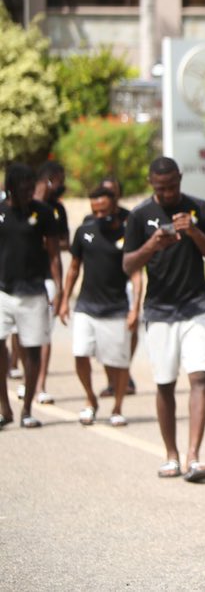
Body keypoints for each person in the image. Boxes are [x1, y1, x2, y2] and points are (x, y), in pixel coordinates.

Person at [123, 157, 205, 482]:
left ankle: (194, 457)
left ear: (181, 179)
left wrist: (194, 232)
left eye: (172, 187)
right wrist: (151, 245)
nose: (167, 194)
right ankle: (171, 455)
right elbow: (127, 265)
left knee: (199, 378)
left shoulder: (200, 209)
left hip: (196, 306)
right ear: (151, 183)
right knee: (164, 383)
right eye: (160, 188)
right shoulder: (139, 216)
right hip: (160, 309)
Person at [58, 186, 142, 426]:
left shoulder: (128, 234)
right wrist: (64, 300)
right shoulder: (84, 232)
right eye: (95, 210)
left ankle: (117, 408)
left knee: (119, 362)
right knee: (81, 353)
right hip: (86, 305)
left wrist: (135, 308)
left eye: (103, 209)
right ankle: (90, 399)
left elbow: (136, 274)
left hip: (116, 307)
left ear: (115, 205)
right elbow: (74, 267)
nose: (99, 214)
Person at [0, 163, 63, 428]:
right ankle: (4, 407)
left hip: (34, 291)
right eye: (23, 190)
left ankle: (27, 409)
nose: (29, 194)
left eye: (31, 188)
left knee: (32, 351)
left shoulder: (45, 213)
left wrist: (58, 290)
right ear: (10, 190)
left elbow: (53, 254)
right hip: (2, 290)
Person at [26, 161, 70, 405]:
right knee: (17, 335)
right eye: (61, 179)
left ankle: (40, 384)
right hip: (19, 280)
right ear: (51, 178)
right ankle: (25, 377)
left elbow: (64, 243)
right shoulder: (19, 205)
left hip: (46, 278)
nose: (63, 185)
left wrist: (49, 243)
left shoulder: (57, 210)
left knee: (43, 333)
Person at [91, 175, 138, 397]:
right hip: (102, 288)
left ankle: (124, 371)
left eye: (114, 191)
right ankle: (114, 378)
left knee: (130, 330)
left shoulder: (130, 218)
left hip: (127, 283)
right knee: (104, 337)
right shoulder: (91, 220)